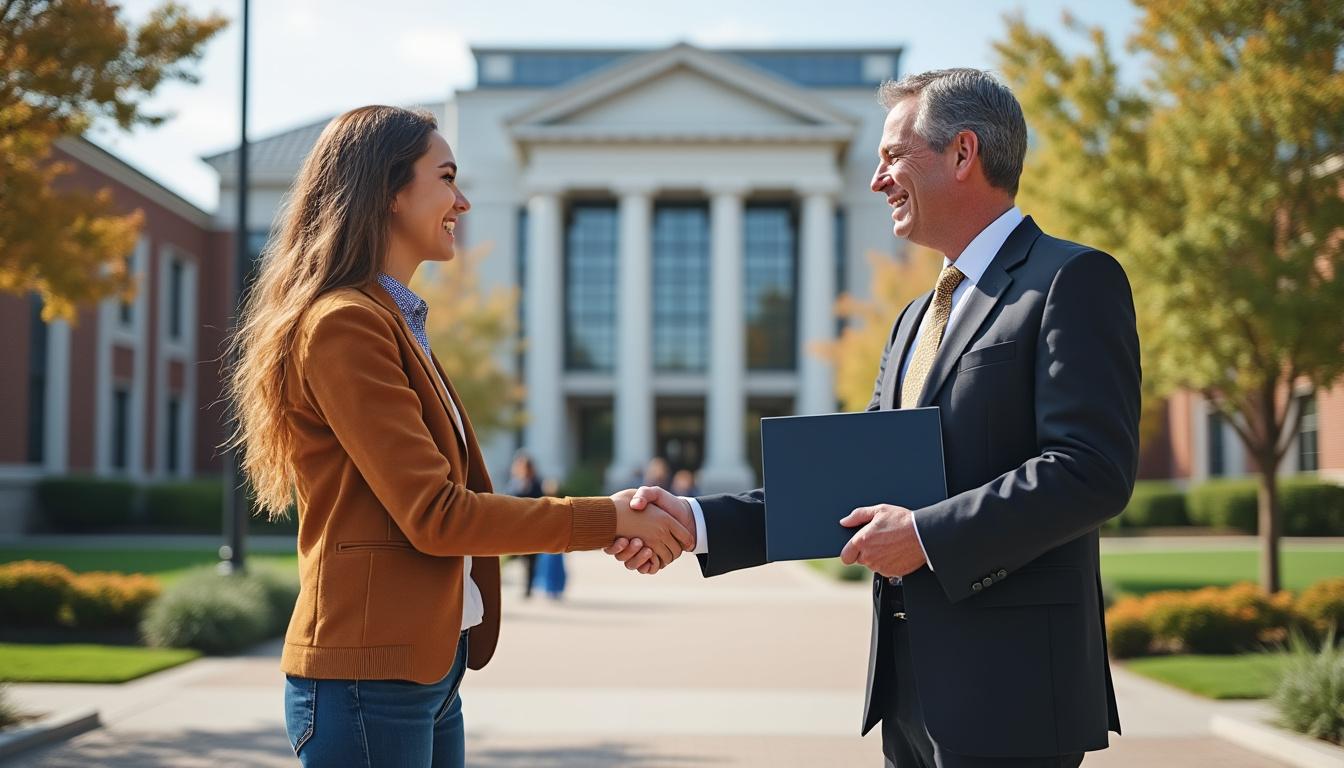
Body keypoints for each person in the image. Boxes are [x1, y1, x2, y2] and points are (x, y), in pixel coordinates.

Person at [610, 68, 1139, 767]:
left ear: (962, 154)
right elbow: (840, 492)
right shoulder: (912, 320)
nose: (877, 179)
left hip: (1013, 697)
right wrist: (694, 521)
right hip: (910, 696)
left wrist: (925, 536)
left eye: (893, 155)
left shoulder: (1072, 281)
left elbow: (1091, 470)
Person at [225, 105, 693, 768]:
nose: (463, 201)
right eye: (446, 178)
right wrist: (610, 517)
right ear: (389, 190)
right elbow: (436, 514)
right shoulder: (345, 324)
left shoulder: (390, 319)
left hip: (422, 670)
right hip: (368, 679)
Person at [506, 452, 544, 599]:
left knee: (531, 561)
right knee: (510, 557)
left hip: (533, 528)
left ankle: (528, 588)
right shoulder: (514, 482)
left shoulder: (537, 483)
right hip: (516, 527)